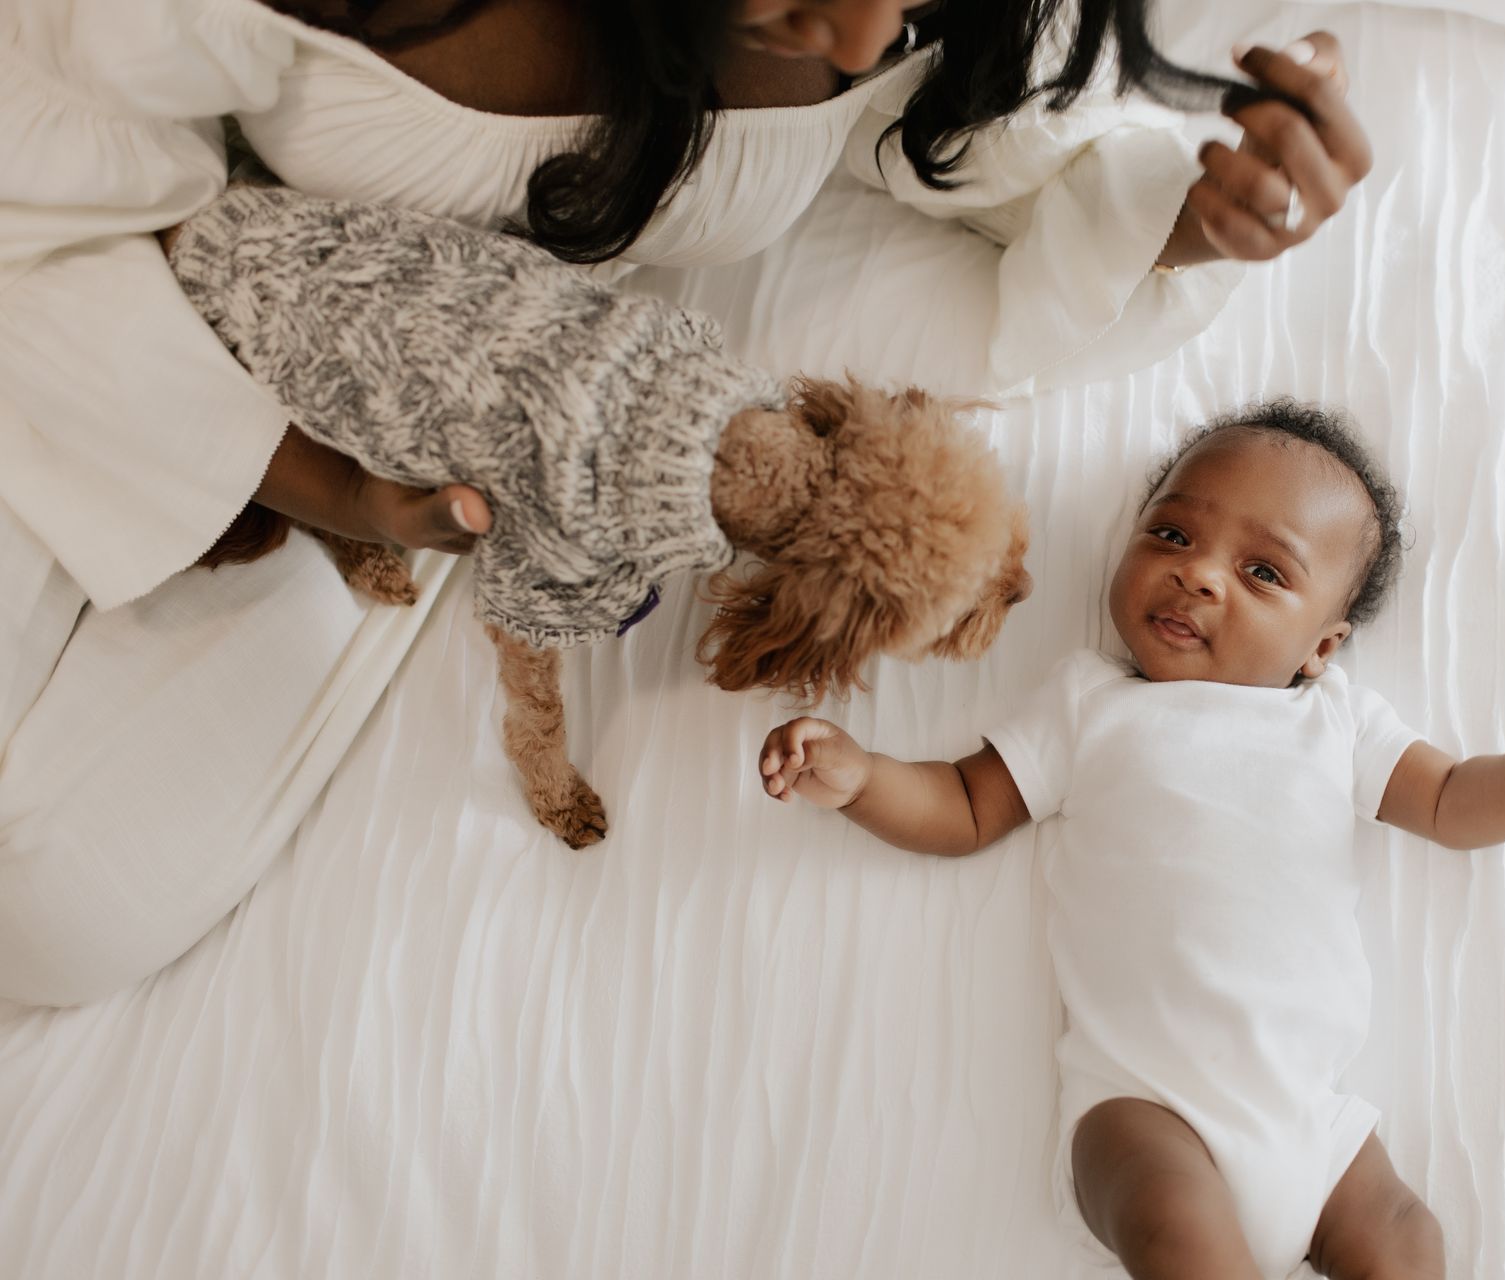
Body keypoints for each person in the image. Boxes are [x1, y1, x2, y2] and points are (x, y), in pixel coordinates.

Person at [0, 0, 1369, 1004]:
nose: (852, 39)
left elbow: (992, 166)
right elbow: (43, 173)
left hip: (462, 445)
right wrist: (292, 472)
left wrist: (1203, 217)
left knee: (64, 910)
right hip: (116, 305)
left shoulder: (901, 30)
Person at [757, 402, 1505, 1278]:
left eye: (1262, 571)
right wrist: (865, 779)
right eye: (1173, 537)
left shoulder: (1336, 724)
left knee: (1405, 1235)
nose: (1200, 576)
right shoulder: (1090, 703)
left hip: (1312, 1128)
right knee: (1175, 1228)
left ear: (1321, 646)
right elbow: (964, 803)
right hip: (1141, 1109)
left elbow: (1452, 803)